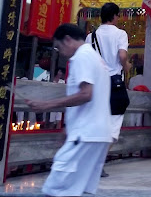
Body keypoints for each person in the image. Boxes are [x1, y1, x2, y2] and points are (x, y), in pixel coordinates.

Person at [27, 24, 111, 197]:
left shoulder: (82, 57)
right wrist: (68, 127)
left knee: (56, 186)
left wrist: (46, 105)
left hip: (86, 132)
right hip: (98, 133)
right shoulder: (95, 57)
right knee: (81, 188)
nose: (60, 52)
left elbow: (86, 94)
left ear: (67, 39)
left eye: (59, 47)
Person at [86, 3, 131, 158]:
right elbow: (122, 56)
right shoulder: (120, 34)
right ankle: (97, 159)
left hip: (96, 84)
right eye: (118, 15)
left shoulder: (90, 37)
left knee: (98, 124)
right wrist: (126, 66)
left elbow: (88, 61)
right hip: (114, 84)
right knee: (112, 127)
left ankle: (92, 157)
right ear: (114, 16)